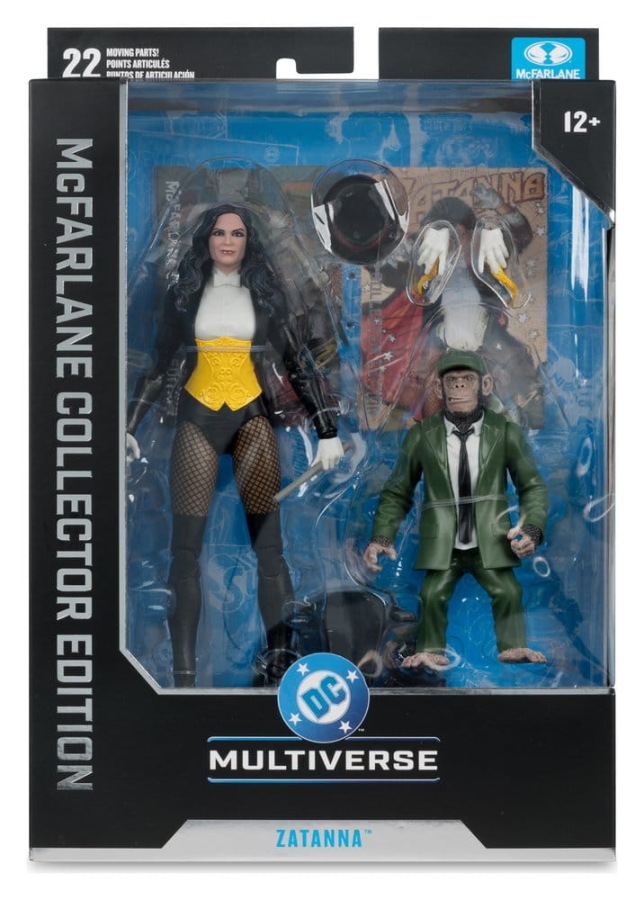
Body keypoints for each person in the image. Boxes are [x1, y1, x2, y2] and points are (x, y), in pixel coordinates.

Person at [127, 203, 344, 687]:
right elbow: (159, 363)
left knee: (270, 549)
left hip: (251, 417)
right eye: (220, 232)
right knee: (185, 550)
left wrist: (326, 430)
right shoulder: (184, 296)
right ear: (206, 239)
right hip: (198, 416)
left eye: (238, 233)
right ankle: (184, 675)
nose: (228, 241)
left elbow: (298, 363)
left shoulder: (266, 296)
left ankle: (282, 663)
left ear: (250, 241)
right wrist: (129, 426)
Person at [363, 349, 548, 670]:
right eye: (452, 380)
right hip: (443, 542)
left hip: (490, 539)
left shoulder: (505, 432)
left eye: (467, 379)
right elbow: (397, 491)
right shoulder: (421, 436)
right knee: (432, 595)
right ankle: (429, 650)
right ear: (439, 388)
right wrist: (381, 536)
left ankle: (514, 646)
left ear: (485, 385)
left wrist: (531, 528)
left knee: (508, 590)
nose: (459, 386)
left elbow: (532, 486)